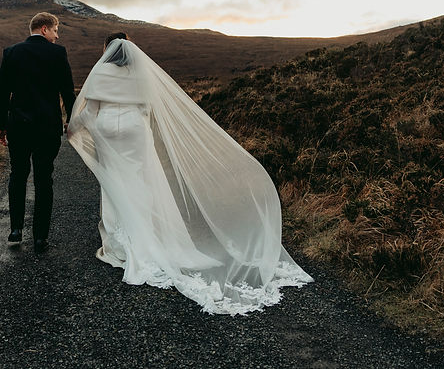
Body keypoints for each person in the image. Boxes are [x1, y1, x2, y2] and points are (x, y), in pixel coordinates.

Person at [67, 35, 312, 313]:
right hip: (135, 131)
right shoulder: (139, 72)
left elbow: (90, 112)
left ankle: (120, 244)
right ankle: (147, 236)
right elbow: (147, 108)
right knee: (139, 181)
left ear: (106, 49)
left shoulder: (99, 71)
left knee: (115, 183)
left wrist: (74, 128)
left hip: (107, 129)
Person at [0, 12, 76, 254]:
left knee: (17, 175)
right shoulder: (58, 53)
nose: (57, 35)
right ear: (43, 29)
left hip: (18, 126)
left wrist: (1, 125)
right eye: (55, 30)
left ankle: (16, 229)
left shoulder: (11, 52)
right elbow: (68, 92)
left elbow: (3, 92)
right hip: (47, 128)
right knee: (44, 179)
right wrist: (71, 120)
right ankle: (40, 237)